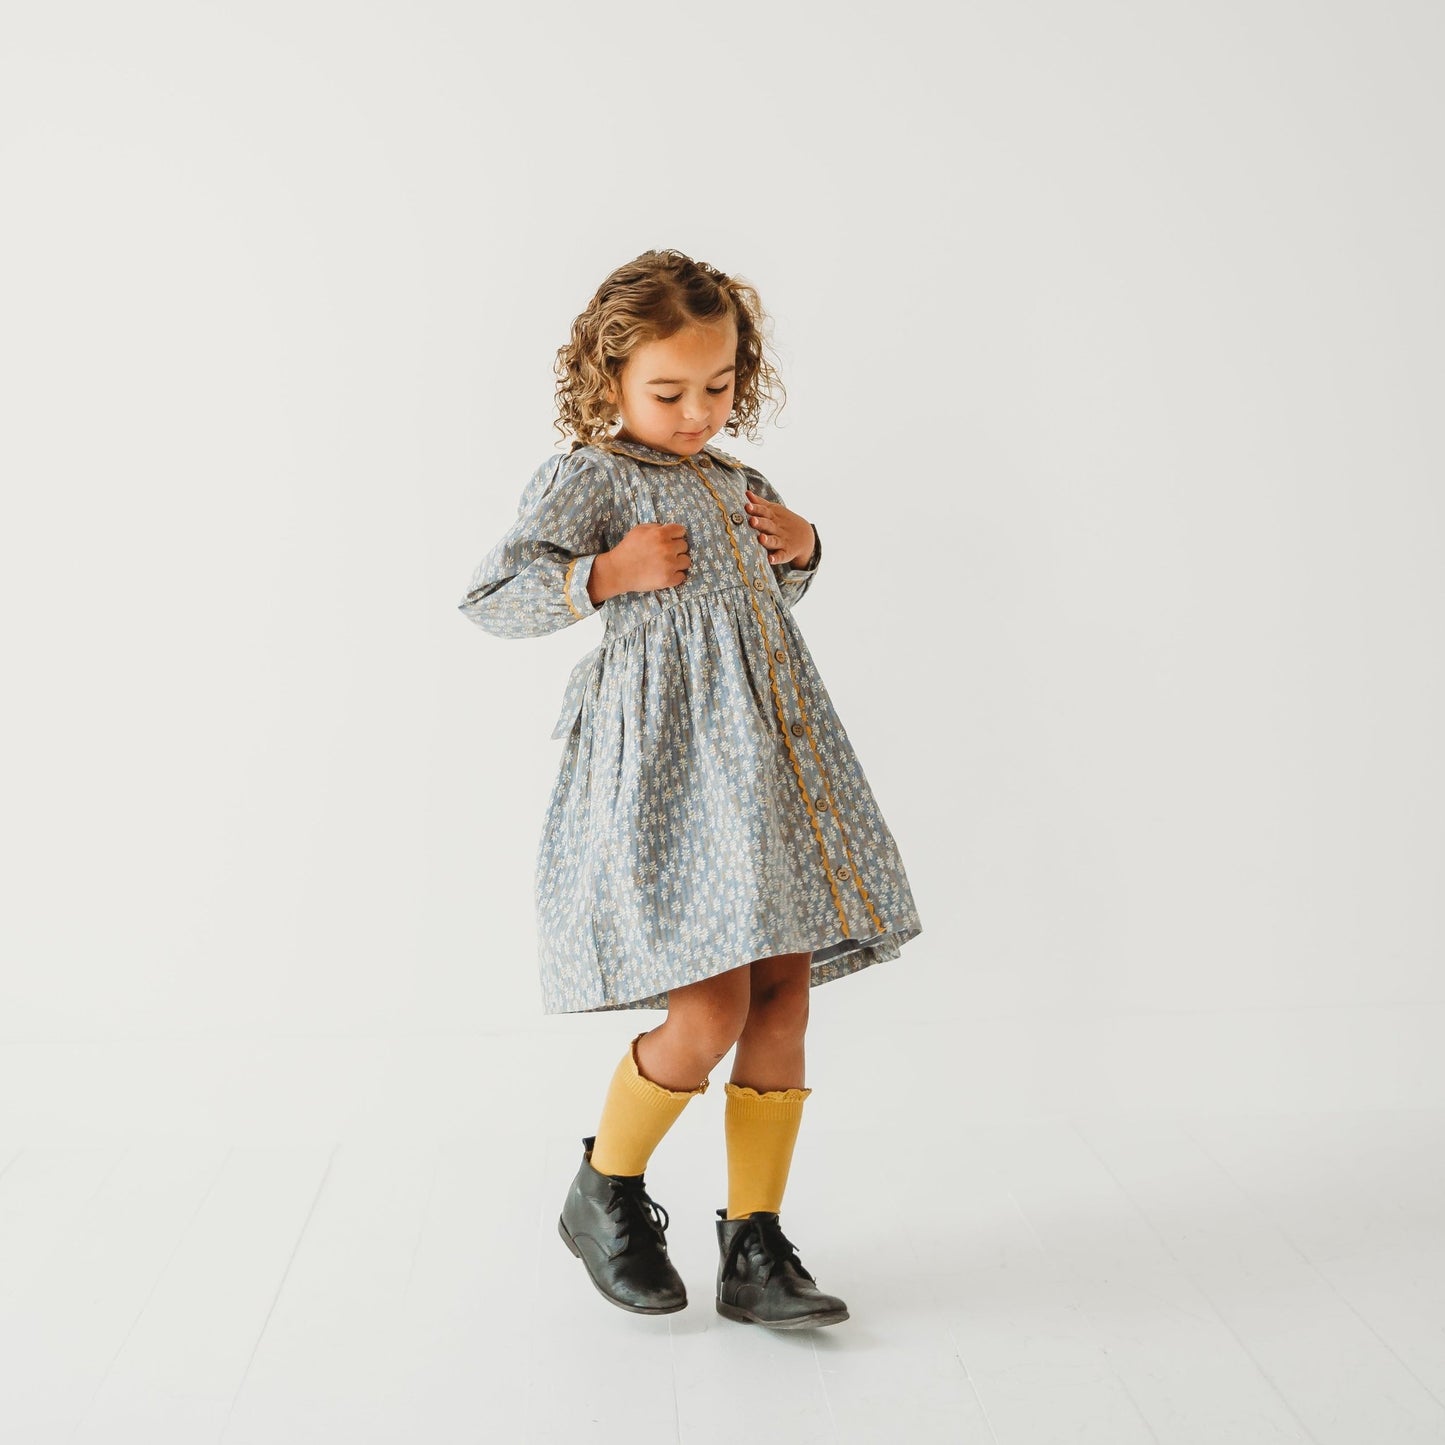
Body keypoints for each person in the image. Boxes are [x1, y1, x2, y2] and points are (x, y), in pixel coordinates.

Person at [457, 249, 923, 1329]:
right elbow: (490, 596)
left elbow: (758, 607)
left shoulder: (736, 481)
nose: (697, 412)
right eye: (668, 391)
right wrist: (603, 574)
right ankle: (604, 1187)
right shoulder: (591, 478)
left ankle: (754, 1243)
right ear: (609, 377)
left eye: (717, 386)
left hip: (771, 764)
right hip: (674, 776)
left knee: (782, 994)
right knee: (709, 1006)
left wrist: (803, 549)